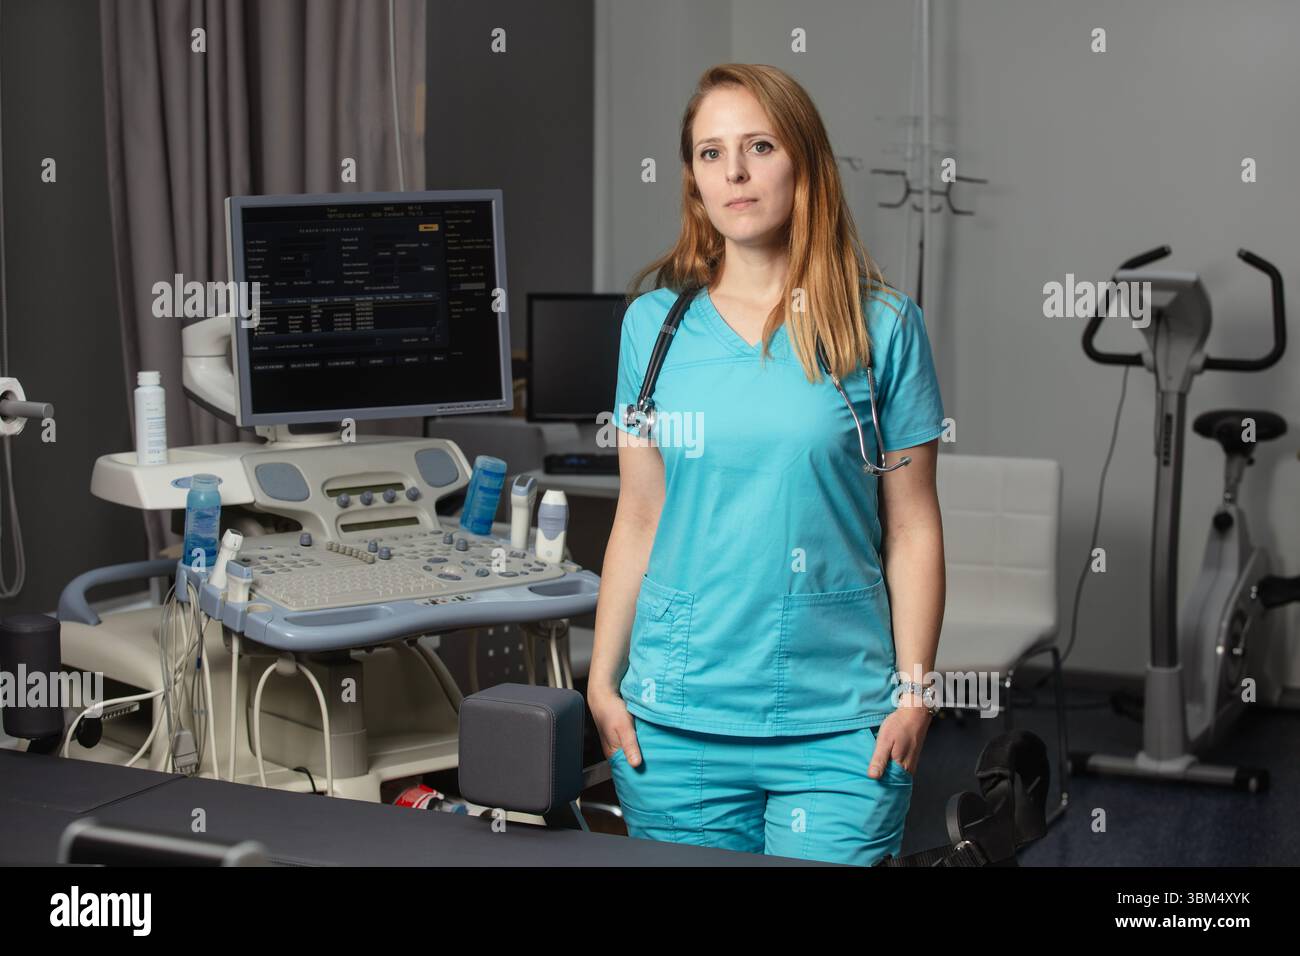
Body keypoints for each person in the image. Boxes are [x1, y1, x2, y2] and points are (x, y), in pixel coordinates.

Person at [587, 63, 947, 867]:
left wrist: (916, 694)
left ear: (804, 163)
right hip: (676, 723)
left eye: (758, 146)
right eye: (711, 154)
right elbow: (639, 517)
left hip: (838, 722)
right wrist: (602, 686)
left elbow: (913, 525)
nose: (735, 173)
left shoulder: (881, 326)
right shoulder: (655, 327)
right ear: (694, 180)